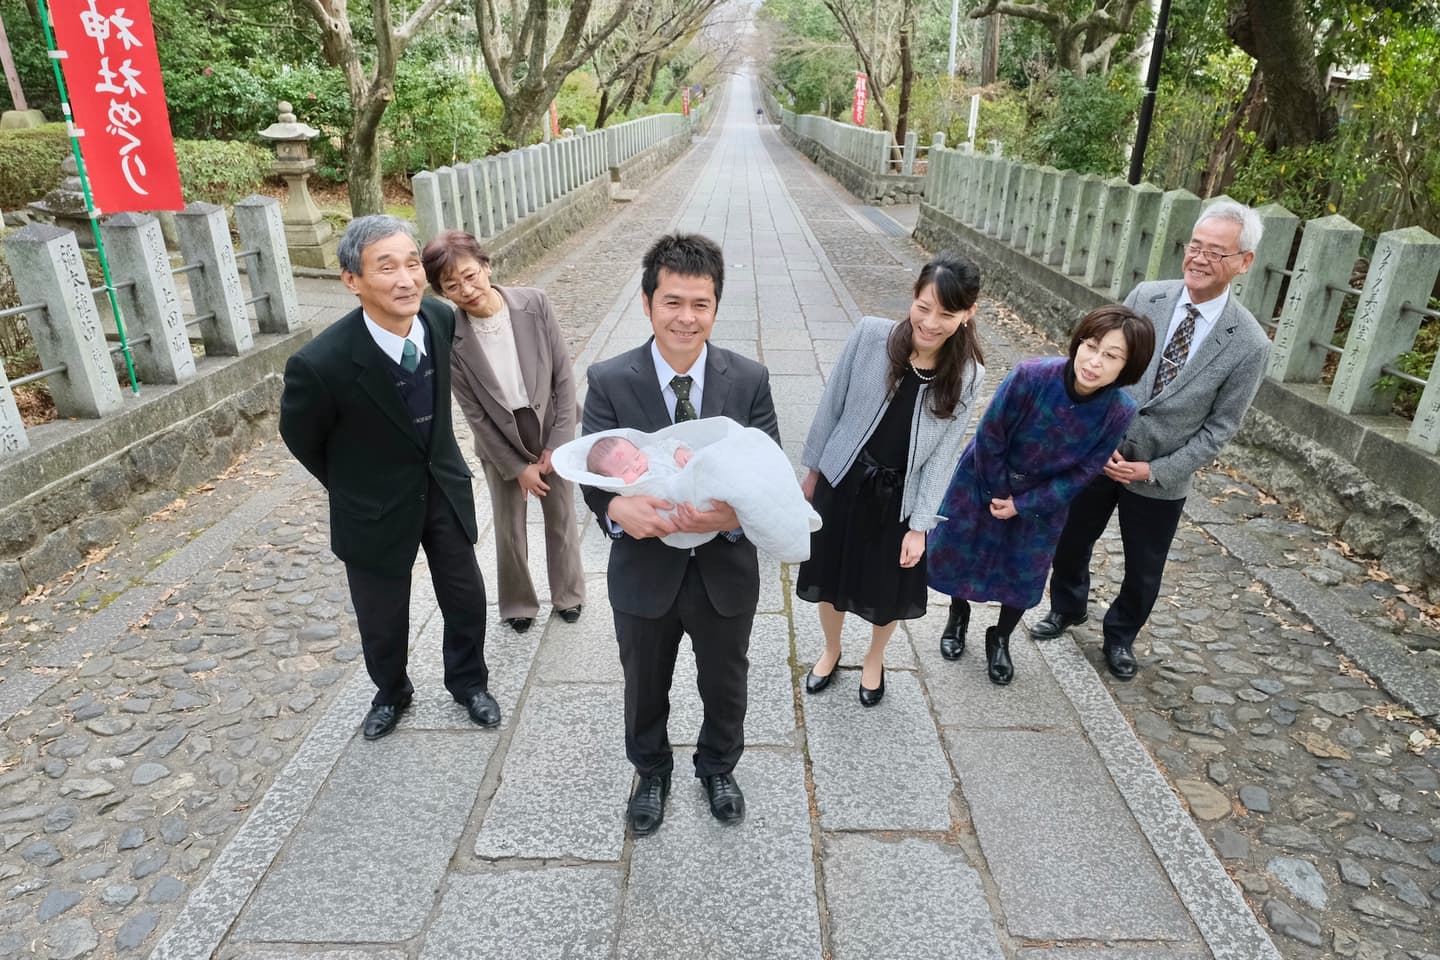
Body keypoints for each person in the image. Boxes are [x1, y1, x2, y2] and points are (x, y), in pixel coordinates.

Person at [581, 234, 779, 837]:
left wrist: (729, 517)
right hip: (645, 568)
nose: (685, 318)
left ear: (716, 307)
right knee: (644, 681)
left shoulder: (747, 379)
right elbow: (591, 470)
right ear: (647, 304)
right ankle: (651, 770)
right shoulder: (611, 379)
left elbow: (767, 473)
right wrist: (618, 509)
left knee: (726, 680)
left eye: (700, 304)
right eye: (672, 302)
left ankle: (718, 766)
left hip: (723, 568)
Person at [279, 215, 501, 741]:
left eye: (410, 265)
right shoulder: (320, 364)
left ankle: (469, 682)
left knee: (465, 595)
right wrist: (353, 484)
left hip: (442, 486)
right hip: (372, 504)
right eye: (386, 268)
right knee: (382, 616)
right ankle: (392, 691)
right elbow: (301, 438)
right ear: (352, 280)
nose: (406, 279)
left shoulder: (439, 319)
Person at [1031, 200, 1272, 680]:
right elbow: (1103, 366)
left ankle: (1119, 636)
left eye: (1216, 252)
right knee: (1071, 539)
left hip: (1161, 474)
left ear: (1244, 263)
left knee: (1143, 569)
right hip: (1100, 454)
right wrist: (1091, 436)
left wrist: (1155, 470)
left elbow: (1221, 427)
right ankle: (1067, 607)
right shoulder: (1147, 298)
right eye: (1195, 247)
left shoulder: (1249, 343)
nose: (1200, 259)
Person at [927, 306, 1156, 685]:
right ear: (1079, 341)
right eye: (1092, 346)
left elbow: (1084, 471)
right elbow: (990, 435)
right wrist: (999, 493)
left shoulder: (1118, 411)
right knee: (961, 554)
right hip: (984, 478)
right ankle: (957, 616)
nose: (1095, 362)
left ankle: (1000, 637)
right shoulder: (1031, 376)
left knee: (1023, 573)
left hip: (1042, 501)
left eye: (1111, 356)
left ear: (1128, 367)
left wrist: (1023, 505)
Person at [796, 252, 986, 707]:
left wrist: (920, 525)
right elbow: (832, 405)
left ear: (968, 314)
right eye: (924, 307)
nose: (931, 322)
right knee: (830, 573)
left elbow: (944, 455)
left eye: (946, 313)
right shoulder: (870, 335)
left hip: (899, 497)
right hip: (843, 480)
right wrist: (813, 471)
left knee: (888, 588)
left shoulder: (968, 374)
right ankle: (831, 648)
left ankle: (874, 659)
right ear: (913, 298)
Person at [420, 229, 584, 635]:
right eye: (451, 285)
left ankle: (569, 594)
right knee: (509, 526)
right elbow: (474, 414)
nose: (466, 289)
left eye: (471, 276)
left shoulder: (533, 303)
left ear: (486, 266)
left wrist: (557, 444)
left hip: (550, 424)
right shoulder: (451, 338)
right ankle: (517, 603)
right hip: (498, 440)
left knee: (561, 515)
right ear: (443, 292)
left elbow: (563, 378)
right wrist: (517, 466)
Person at [587, 435, 692, 481]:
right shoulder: (637, 489)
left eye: (637, 457)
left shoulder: (649, 452)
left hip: (690, 468)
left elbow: (664, 445)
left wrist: (677, 451)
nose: (637, 466)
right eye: (625, 470)